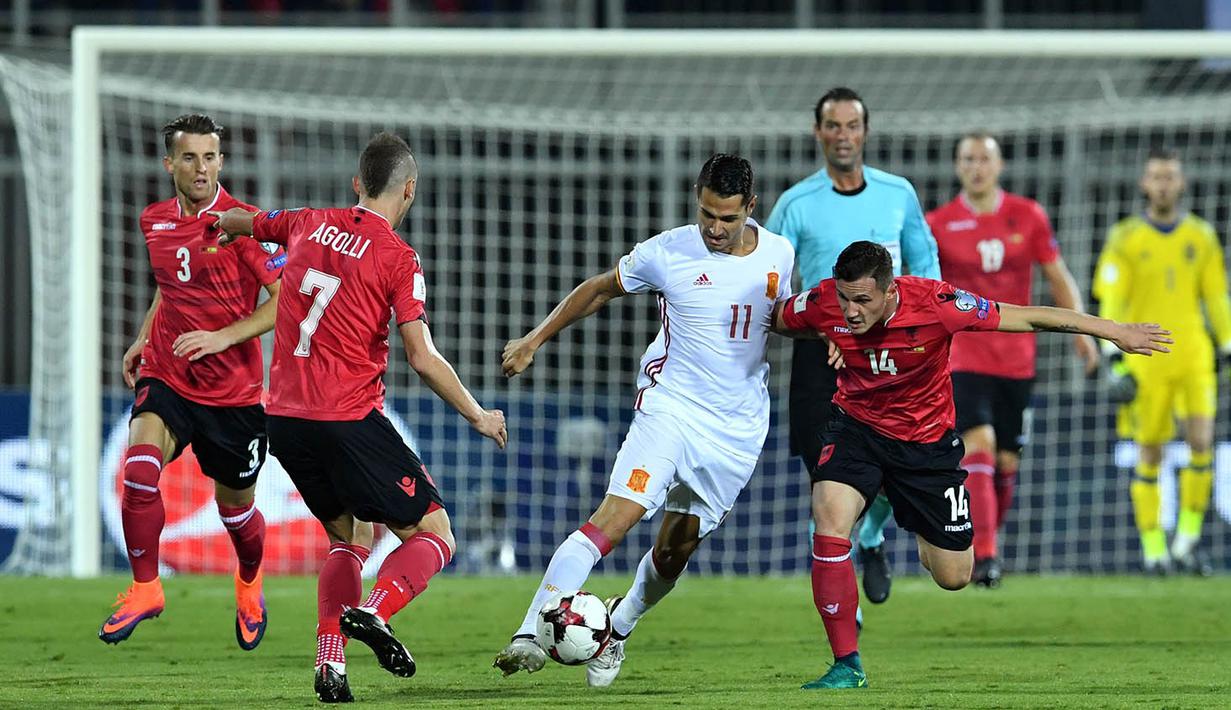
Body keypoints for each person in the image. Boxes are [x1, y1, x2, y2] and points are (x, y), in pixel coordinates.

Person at [777, 241, 1170, 689]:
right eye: (845, 300)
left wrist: (1111, 330)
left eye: (862, 300)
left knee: (953, 575)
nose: (850, 311)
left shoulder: (938, 304)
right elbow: (778, 319)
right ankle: (847, 664)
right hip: (856, 431)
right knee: (828, 516)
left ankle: (895, 502)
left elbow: (1028, 316)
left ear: (890, 291)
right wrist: (823, 333)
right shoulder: (826, 302)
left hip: (926, 448)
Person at [492, 154, 813, 688]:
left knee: (675, 548)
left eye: (728, 218)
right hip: (671, 409)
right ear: (697, 197)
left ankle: (618, 628)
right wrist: (533, 339)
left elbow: (773, 320)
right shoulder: (668, 252)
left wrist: (824, 336)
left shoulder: (780, 251)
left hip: (737, 429)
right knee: (615, 519)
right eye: (707, 213)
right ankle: (529, 633)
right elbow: (597, 288)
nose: (714, 228)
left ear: (751, 208)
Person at [211, 132, 507, 703]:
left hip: (286, 422)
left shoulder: (305, 221)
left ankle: (330, 665)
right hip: (345, 416)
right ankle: (374, 611)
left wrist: (228, 225)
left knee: (348, 537)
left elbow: (254, 220)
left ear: (356, 184)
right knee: (436, 532)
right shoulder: (399, 258)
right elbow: (422, 357)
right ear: (410, 190)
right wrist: (476, 413)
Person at [100, 114, 283, 651]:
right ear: (170, 164)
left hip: (233, 395)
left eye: (209, 157)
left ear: (221, 162)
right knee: (138, 471)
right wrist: (142, 338)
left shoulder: (244, 223)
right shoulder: (153, 221)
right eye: (189, 158)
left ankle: (249, 581)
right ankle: (145, 587)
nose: (200, 168)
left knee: (237, 514)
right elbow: (170, 286)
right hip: (170, 375)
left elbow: (285, 302)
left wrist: (224, 336)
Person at [767, 86, 940, 606]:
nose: (844, 136)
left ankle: (871, 536)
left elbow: (924, 266)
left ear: (866, 131)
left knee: (892, 470)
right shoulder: (795, 204)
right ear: (818, 132)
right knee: (828, 486)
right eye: (833, 126)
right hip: (822, 357)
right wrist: (822, 325)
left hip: (891, 359)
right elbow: (768, 284)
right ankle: (847, 612)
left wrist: (926, 336)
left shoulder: (898, 193)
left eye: (852, 125)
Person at [928, 132, 1100, 587]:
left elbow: (1057, 277)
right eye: (967, 158)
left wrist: (1084, 335)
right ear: (956, 166)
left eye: (984, 158)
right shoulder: (938, 224)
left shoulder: (1028, 215)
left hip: (1018, 361)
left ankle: (986, 541)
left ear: (999, 166)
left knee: (1007, 462)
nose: (976, 167)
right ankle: (984, 556)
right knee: (977, 443)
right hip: (963, 356)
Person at [1093, 147, 1231, 576]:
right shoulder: (1125, 238)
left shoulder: (1201, 236)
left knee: (1201, 443)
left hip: (1193, 355)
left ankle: (1186, 541)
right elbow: (1111, 299)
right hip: (1146, 358)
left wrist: (1226, 344)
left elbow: (1215, 296)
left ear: (1182, 182)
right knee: (1149, 452)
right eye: (1157, 176)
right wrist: (1112, 357)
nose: (1164, 184)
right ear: (1144, 184)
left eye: (1171, 176)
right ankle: (1154, 548)